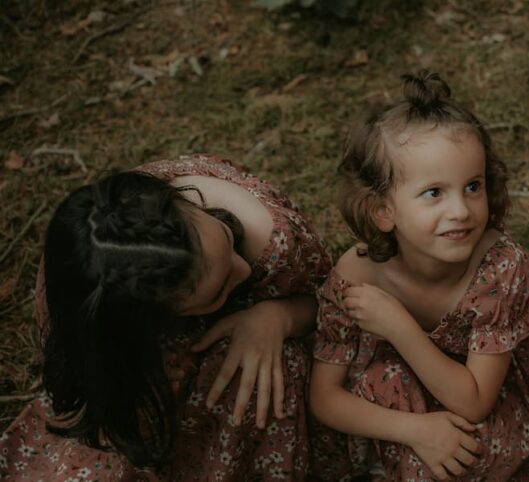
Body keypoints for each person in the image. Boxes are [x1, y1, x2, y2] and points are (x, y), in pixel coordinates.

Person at [308, 71, 529, 481]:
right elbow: (324, 398)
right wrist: (415, 430)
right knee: (383, 383)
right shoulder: (357, 275)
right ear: (383, 211)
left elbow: (475, 402)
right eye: (434, 192)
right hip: (411, 402)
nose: (461, 210)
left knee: (458, 450)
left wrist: (399, 326)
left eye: (473, 186)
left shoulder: (501, 269)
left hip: (495, 402)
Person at [0, 154, 332, 480]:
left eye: (228, 241)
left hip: (258, 352)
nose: (243, 269)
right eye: (216, 292)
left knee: (257, 372)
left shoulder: (274, 242)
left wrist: (280, 316)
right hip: (147, 377)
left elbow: (330, 302)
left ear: (185, 202)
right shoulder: (83, 277)